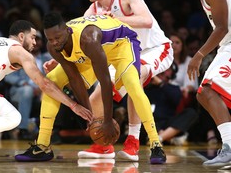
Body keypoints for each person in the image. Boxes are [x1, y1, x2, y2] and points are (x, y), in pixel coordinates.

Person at [15, 13, 166, 164]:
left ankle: (155, 144)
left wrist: (107, 120)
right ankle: (43, 145)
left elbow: (105, 81)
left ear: (68, 31)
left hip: (122, 45)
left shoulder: (88, 38)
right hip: (93, 52)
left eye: (58, 38)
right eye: (50, 39)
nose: (54, 42)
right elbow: (74, 78)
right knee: (52, 81)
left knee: (133, 84)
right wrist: (89, 117)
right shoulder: (54, 46)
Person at [0, 20, 92, 162]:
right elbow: (45, 85)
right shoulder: (21, 53)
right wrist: (73, 105)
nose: (35, 42)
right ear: (22, 36)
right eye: (33, 37)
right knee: (13, 118)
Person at [76, 0, 173, 161]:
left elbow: (146, 20)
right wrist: (57, 61)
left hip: (155, 49)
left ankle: (133, 142)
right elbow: (76, 41)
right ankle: (104, 145)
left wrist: (117, 19)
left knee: (133, 78)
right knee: (95, 98)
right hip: (125, 56)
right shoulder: (92, 11)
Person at [186, 0, 231, 166]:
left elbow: (222, 28)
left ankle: (229, 147)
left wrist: (199, 55)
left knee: (207, 91)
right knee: (206, 93)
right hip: (226, 46)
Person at [145, 63, 198, 146]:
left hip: (168, 124)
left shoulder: (173, 88)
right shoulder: (146, 88)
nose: (165, 72)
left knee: (191, 112)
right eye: (163, 69)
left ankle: (159, 139)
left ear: (172, 75)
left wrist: (161, 84)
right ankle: (168, 138)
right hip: (151, 123)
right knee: (141, 115)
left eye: (168, 70)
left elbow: (176, 99)